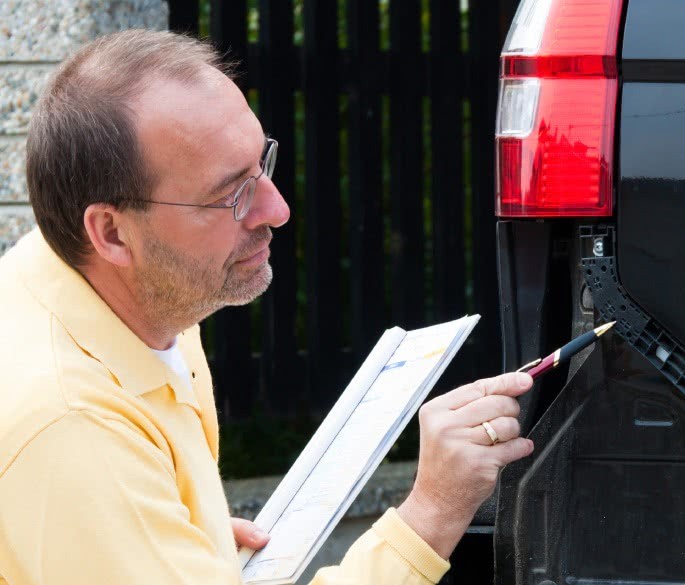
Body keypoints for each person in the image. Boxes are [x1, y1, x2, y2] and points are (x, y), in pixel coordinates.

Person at [0, 29, 534, 585]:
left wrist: (169, 539)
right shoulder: (71, 430)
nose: (276, 209)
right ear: (111, 232)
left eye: (262, 163)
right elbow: (81, 467)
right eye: (230, 194)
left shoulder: (116, 296)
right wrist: (430, 515)